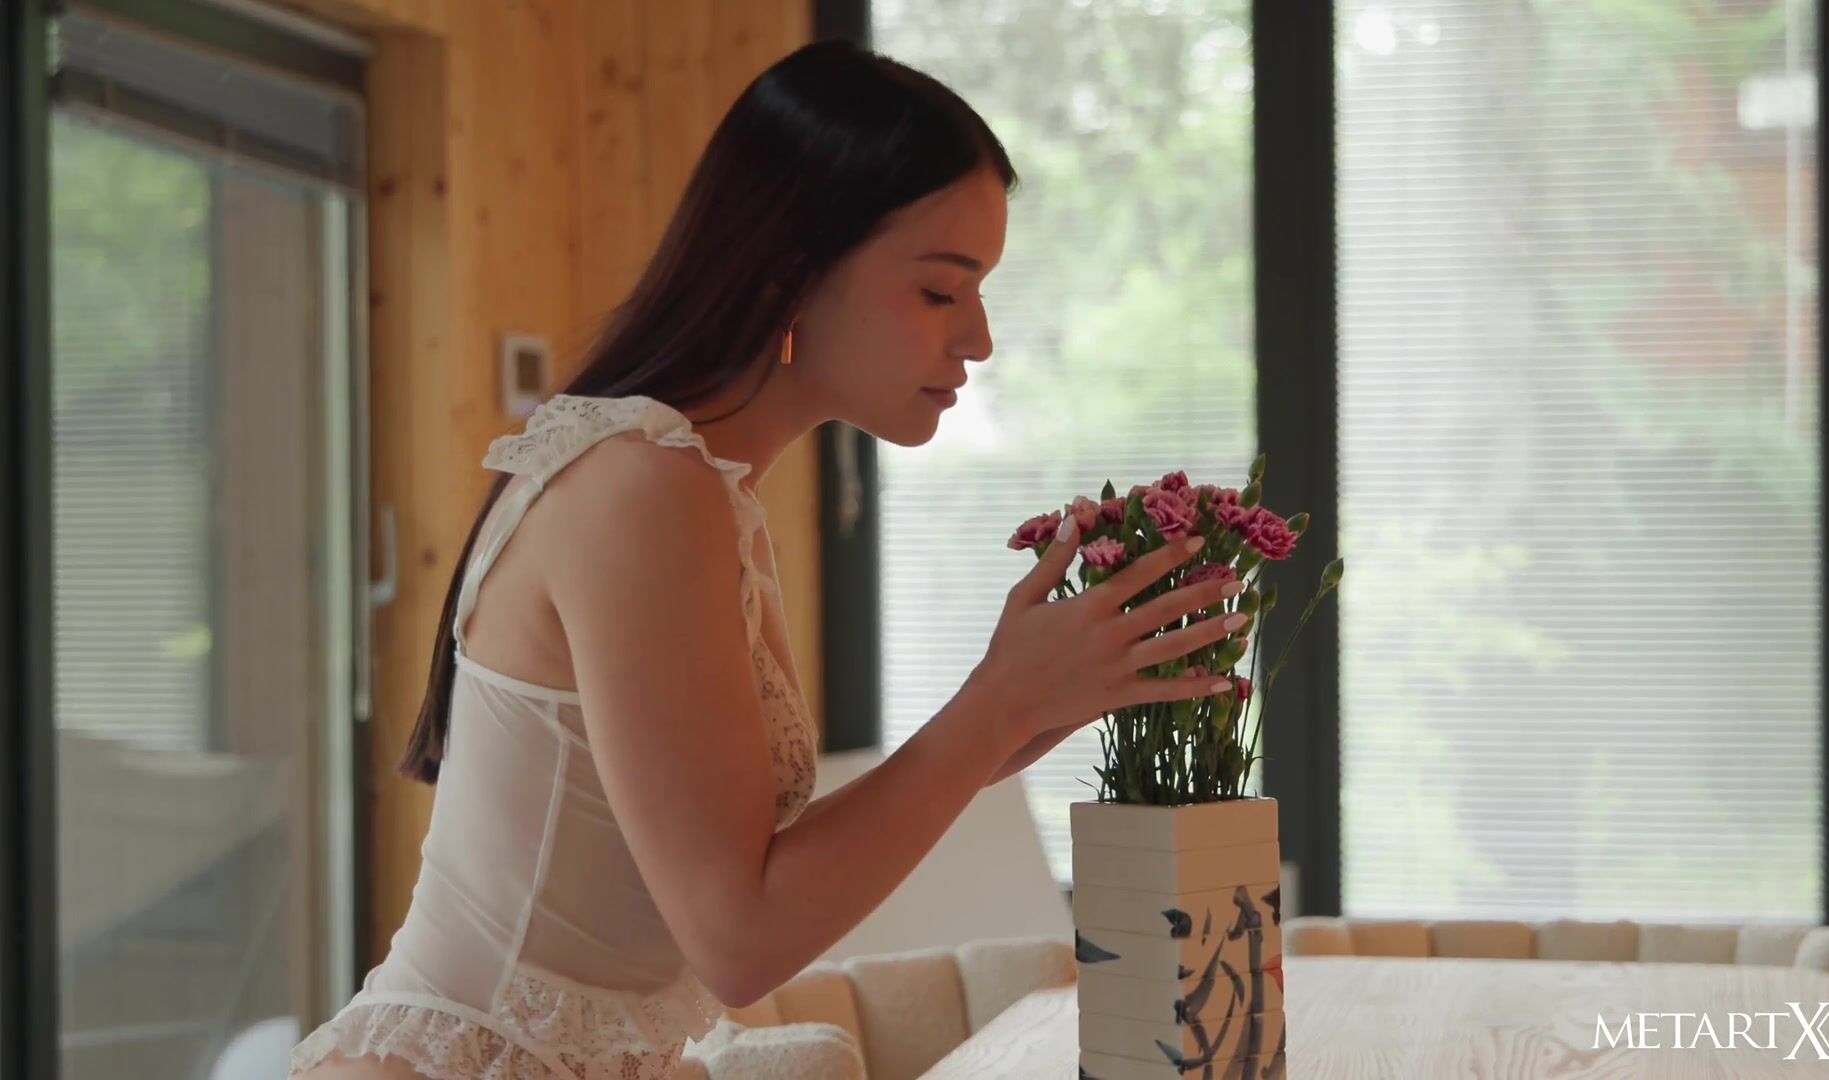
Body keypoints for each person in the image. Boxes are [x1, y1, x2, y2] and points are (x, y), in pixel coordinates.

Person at [289, 40, 1246, 1080]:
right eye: (940, 291)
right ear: (791, 275)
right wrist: (997, 704)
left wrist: (1032, 704)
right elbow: (738, 939)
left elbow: (746, 867)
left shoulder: (706, 492)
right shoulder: (641, 485)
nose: (977, 338)